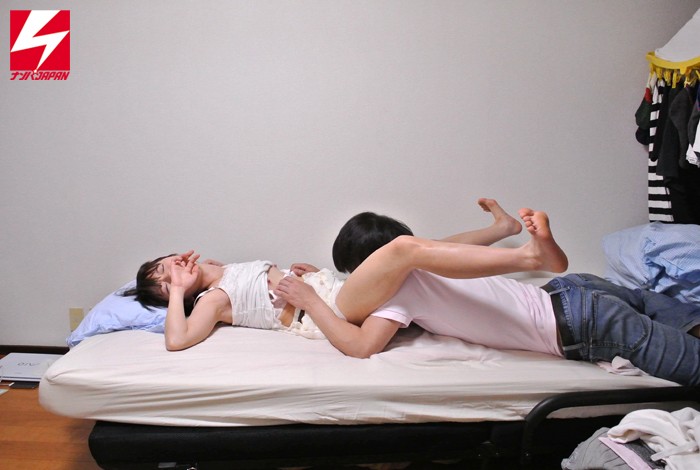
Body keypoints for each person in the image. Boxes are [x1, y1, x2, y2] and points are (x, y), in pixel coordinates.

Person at [273, 205, 700, 387]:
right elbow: (446, 244)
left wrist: (312, 301)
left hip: (583, 321)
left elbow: (361, 346)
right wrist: (500, 229)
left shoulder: (399, 289)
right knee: (689, 322)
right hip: (576, 290)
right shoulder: (429, 264)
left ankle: (531, 255)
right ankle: (528, 252)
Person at [126, 199, 566, 352]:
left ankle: (501, 231)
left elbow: (255, 288)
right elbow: (177, 340)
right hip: (332, 310)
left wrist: (312, 276)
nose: (171, 273)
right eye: (163, 283)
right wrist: (180, 292)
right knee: (405, 250)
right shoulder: (212, 299)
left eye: (165, 265)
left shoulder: (223, 269)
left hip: (332, 292)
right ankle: (529, 257)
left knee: (423, 251)